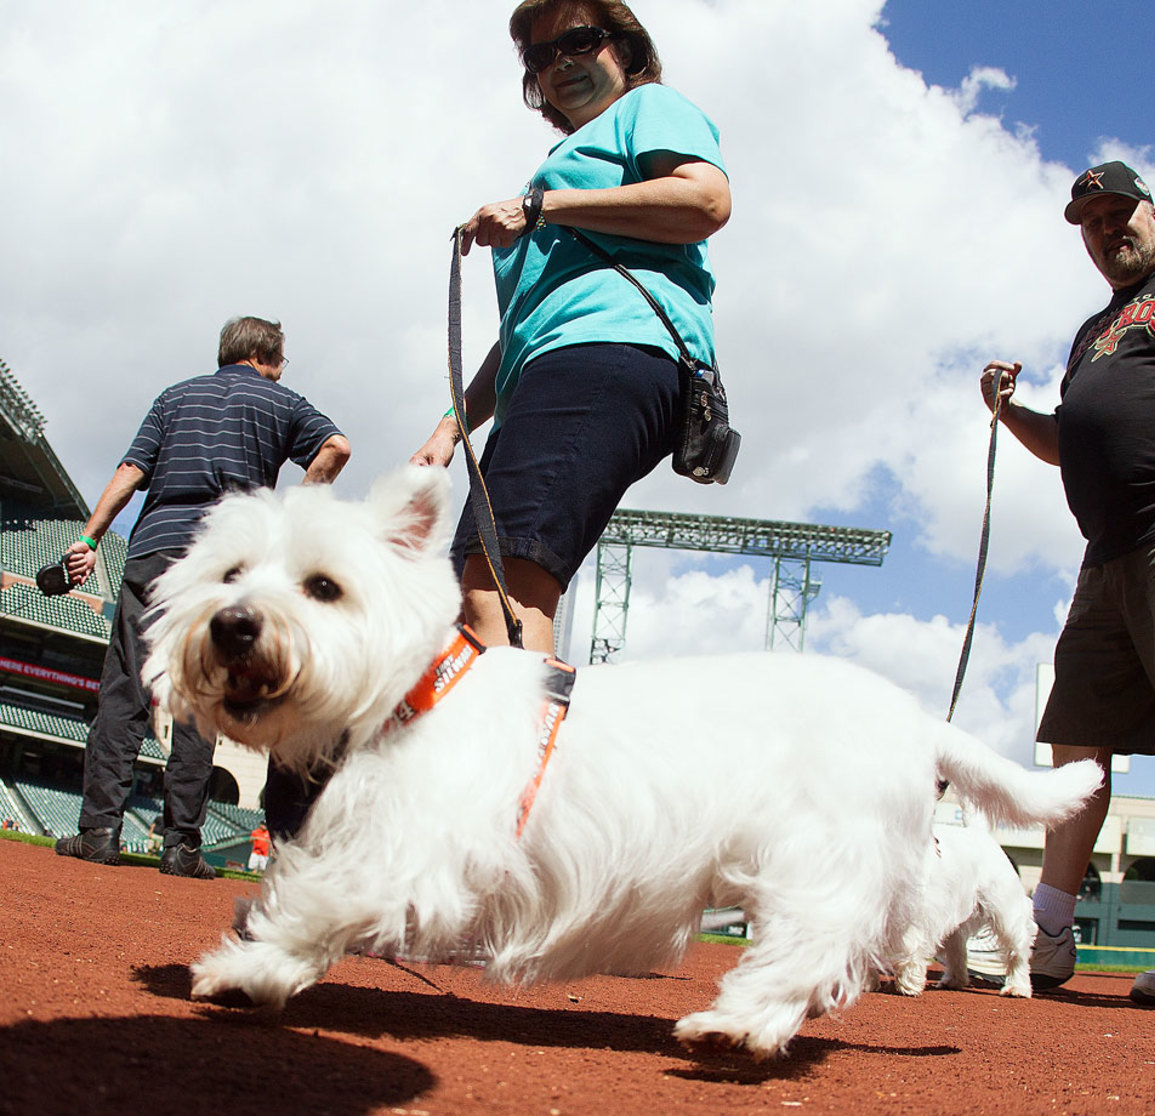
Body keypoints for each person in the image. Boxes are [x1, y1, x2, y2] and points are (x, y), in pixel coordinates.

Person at [410, 0, 730, 655]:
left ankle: (529, 753)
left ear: (625, 48)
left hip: (608, 352)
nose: (561, 64)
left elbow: (705, 199)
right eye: (540, 56)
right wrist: (451, 426)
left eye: (579, 41)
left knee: (502, 587)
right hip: (558, 367)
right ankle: (524, 744)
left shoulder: (648, 108)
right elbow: (527, 329)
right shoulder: (563, 168)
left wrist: (540, 206)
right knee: (479, 589)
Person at [979, 161, 1155, 1006]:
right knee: (1077, 747)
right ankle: (1049, 929)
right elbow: (1069, 441)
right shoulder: (1091, 335)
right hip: (1106, 554)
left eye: (1119, 214)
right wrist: (1006, 412)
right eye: (1091, 223)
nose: (1108, 231)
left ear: (1154, 212)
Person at [55, 316, 351, 878]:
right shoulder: (282, 401)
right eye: (282, 359)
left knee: (124, 691)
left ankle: (98, 832)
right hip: (221, 556)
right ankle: (181, 845)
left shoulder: (174, 397)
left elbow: (129, 470)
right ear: (266, 355)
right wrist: (289, 515)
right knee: (204, 693)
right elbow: (337, 447)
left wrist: (91, 537)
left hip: (155, 549)